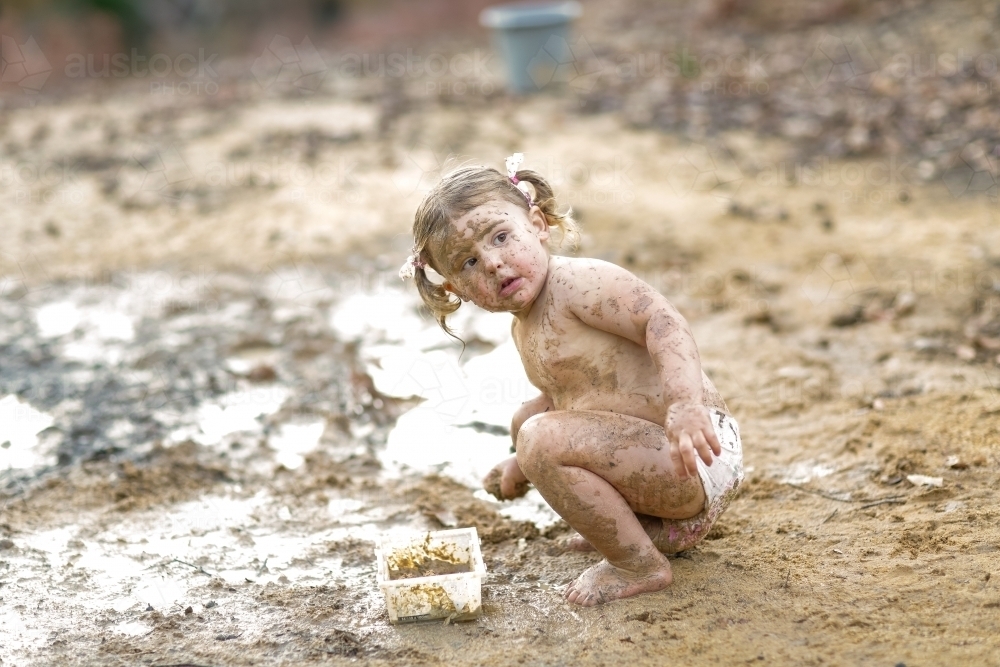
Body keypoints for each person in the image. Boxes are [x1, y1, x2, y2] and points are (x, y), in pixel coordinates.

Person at [398, 154, 744, 606]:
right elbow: (570, 401)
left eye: (501, 237)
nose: (494, 264)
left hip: (693, 452)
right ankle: (643, 534)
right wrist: (519, 463)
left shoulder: (577, 283)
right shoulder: (524, 326)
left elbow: (663, 322)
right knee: (528, 422)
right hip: (664, 469)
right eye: (467, 263)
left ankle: (636, 564)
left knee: (541, 438)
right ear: (456, 292)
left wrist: (685, 403)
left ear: (537, 224)